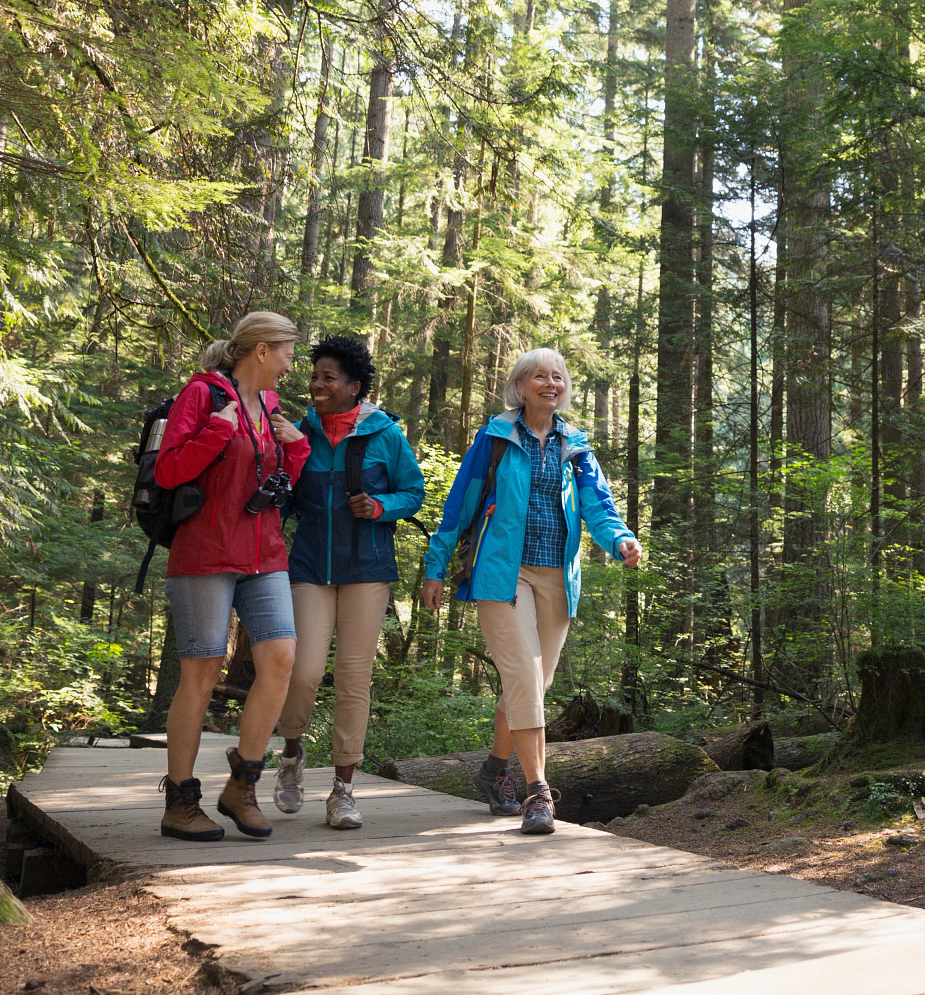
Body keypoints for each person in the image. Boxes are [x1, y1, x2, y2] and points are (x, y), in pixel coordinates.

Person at [422, 348, 643, 835]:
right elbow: (459, 506)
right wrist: (435, 568)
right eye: (539, 376)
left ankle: (493, 768)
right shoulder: (495, 439)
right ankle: (538, 793)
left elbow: (598, 506)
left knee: (532, 687)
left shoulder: (575, 446)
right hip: (503, 575)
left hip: (557, 579)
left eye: (558, 376)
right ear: (520, 387)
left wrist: (621, 537)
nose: (550, 383)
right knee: (523, 677)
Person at [151, 310, 310, 842]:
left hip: (264, 552)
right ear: (261, 351)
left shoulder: (269, 404)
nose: (292, 363)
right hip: (206, 552)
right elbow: (170, 470)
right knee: (202, 670)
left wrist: (296, 445)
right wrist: (214, 436)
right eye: (287, 351)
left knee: (281, 660)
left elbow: (275, 481)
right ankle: (180, 800)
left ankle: (242, 784)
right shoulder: (201, 396)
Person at [274, 335, 425, 829]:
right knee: (303, 670)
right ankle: (292, 753)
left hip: (368, 570)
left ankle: (343, 790)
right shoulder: (300, 431)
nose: (315, 384)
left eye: (327, 377)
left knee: (354, 680)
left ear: (354, 387)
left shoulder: (386, 435)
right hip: (310, 567)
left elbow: (414, 493)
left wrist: (382, 507)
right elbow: (281, 494)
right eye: (314, 375)